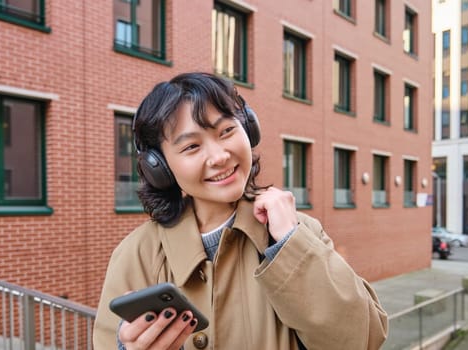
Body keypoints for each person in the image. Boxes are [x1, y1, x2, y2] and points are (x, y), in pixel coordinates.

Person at [93, 72, 388, 350]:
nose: (220, 156)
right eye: (192, 146)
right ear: (159, 167)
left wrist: (291, 245)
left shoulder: (298, 231)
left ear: (249, 130)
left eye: (227, 131)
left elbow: (365, 339)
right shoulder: (136, 254)